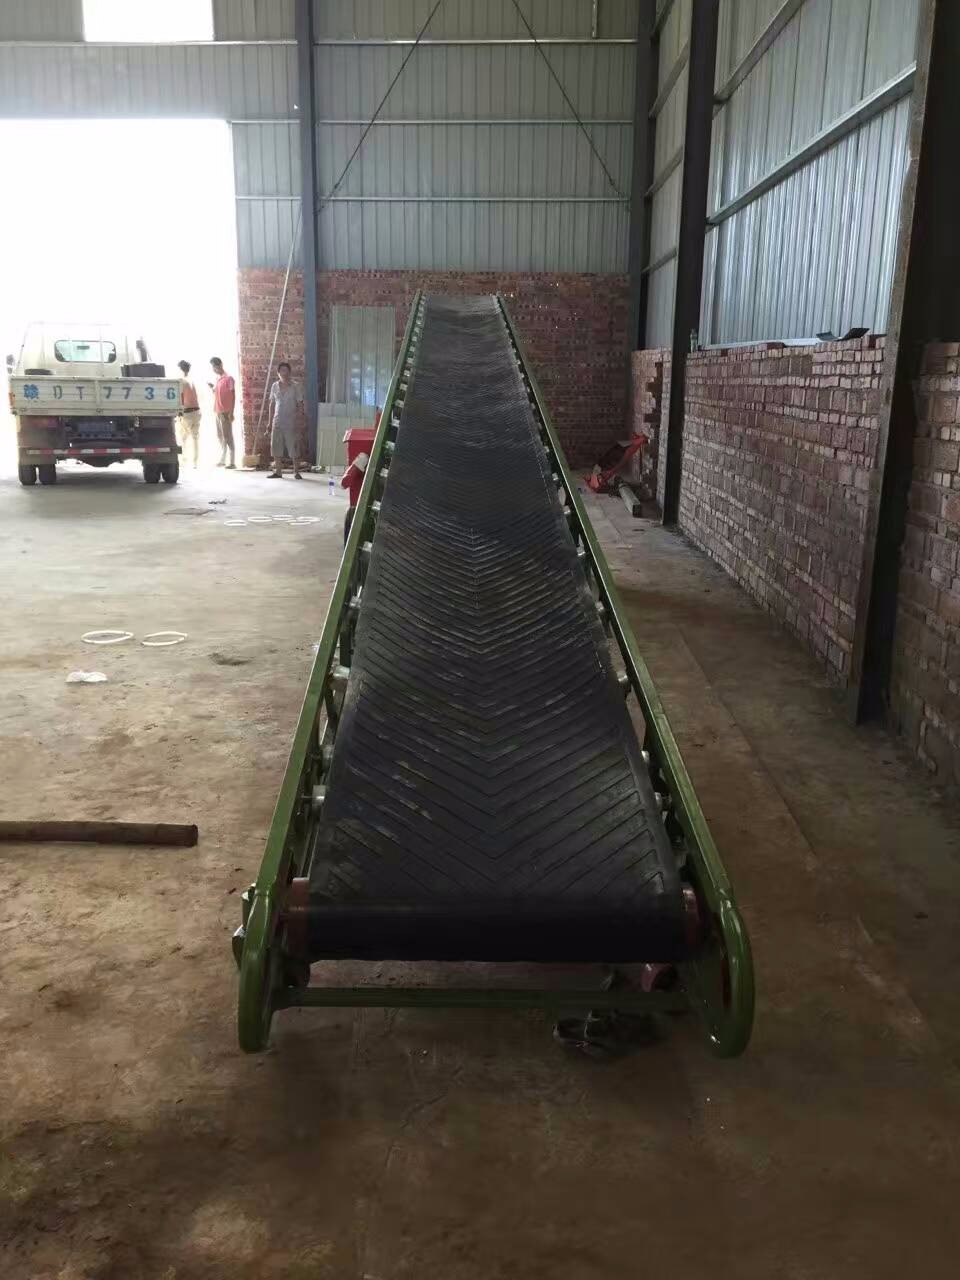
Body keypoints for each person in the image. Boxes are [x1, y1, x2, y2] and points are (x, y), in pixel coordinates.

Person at [266, 361, 304, 479]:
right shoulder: (274, 386)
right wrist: (269, 422)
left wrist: (299, 420)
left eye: (286, 371)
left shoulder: (296, 386)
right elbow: (272, 404)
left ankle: (296, 472)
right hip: (277, 421)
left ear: (290, 372)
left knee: (293, 447)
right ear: (278, 373)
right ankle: (278, 472)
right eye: (282, 371)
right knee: (276, 447)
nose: (284, 373)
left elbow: (300, 404)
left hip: (291, 421)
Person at [209, 356, 236, 469]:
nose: (214, 369)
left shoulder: (229, 378)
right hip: (218, 411)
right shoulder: (218, 379)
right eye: (213, 367)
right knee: (220, 436)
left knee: (228, 436)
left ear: (220, 365)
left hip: (226, 411)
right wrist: (212, 388)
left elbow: (233, 395)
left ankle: (232, 462)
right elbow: (218, 393)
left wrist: (231, 412)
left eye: (215, 367)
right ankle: (223, 459)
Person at [176, 359, 201, 469]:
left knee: (183, 438)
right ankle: (195, 462)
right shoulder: (192, 380)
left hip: (187, 413)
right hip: (197, 411)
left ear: (180, 369)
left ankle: (184, 461)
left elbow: (180, 397)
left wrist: (178, 411)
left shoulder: (181, 381)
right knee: (195, 438)